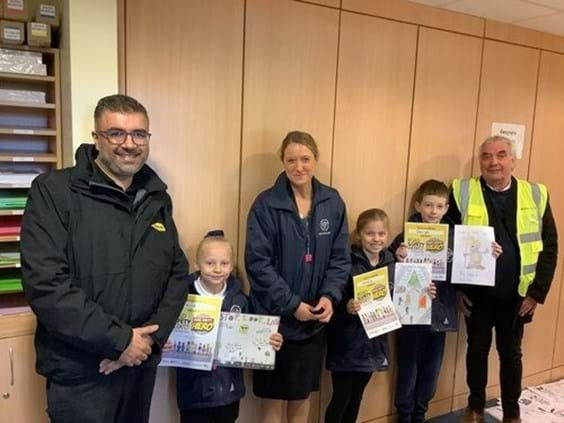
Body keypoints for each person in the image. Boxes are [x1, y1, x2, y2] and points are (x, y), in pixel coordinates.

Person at [20, 94, 189, 423]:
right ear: (96, 137)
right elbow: (46, 284)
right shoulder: (54, 191)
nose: (129, 144)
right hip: (81, 373)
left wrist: (146, 342)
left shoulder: (156, 198)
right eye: (116, 133)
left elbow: (176, 273)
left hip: (138, 368)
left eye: (139, 134)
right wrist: (120, 341)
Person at [448, 136, 558, 423]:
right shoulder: (462, 191)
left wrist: (536, 294)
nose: (493, 162)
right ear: (480, 160)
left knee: (511, 355)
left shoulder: (536, 194)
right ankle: (475, 407)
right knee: (477, 351)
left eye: (501, 155)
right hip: (477, 295)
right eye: (486, 156)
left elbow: (550, 246)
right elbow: (449, 241)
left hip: (518, 296)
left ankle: (512, 413)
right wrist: (458, 288)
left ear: (513, 159)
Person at [245, 130, 351, 423]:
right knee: (273, 401)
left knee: (302, 397)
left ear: (316, 159)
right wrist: (292, 305)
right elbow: (258, 264)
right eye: (291, 160)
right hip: (276, 320)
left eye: (305, 159)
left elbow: (340, 259)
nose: (299, 166)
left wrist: (330, 297)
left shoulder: (332, 201)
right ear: (283, 162)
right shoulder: (266, 203)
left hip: (314, 323)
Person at [390, 180, 483, 423]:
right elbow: (388, 270)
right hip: (410, 313)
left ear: (446, 208)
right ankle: (404, 414)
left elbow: (469, 268)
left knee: (431, 368)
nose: (433, 211)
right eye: (428, 205)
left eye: (439, 206)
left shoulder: (456, 238)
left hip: (441, 311)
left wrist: (487, 252)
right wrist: (396, 256)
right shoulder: (405, 237)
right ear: (418, 205)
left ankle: (420, 413)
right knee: (408, 365)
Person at [174, 231, 283, 423]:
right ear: (197, 264)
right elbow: (169, 334)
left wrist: (270, 340)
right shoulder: (182, 298)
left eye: (224, 263)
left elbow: (254, 335)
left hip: (229, 392)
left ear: (232, 266)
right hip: (193, 393)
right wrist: (165, 343)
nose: (217, 269)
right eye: (210, 263)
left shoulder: (240, 300)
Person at [325, 208, 397, 423]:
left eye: (381, 234)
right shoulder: (346, 262)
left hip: (374, 343)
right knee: (341, 398)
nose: (376, 239)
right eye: (370, 233)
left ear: (387, 235)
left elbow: (398, 297)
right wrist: (346, 307)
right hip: (347, 343)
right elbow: (331, 298)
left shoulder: (391, 263)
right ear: (359, 235)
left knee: (357, 397)